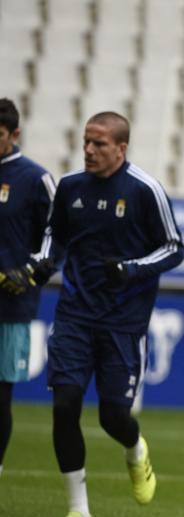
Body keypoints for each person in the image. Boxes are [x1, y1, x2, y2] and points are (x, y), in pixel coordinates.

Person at [34, 111, 184, 517]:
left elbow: (174, 247)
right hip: (74, 317)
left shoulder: (145, 190)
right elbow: (56, 235)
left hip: (123, 323)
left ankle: (135, 450)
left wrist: (131, 269)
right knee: (64, 405)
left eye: (99, 144)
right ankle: (79, 513)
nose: (88, 150)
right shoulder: (70, 187)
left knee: (112, 417)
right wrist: (45, 263)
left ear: (121, 148)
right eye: (86, 141)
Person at [0, 97, 56, 478]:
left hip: (11, 306)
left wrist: (33, 272)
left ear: (14, 134)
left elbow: (57, 236)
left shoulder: (35, 179)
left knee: (0, 394)